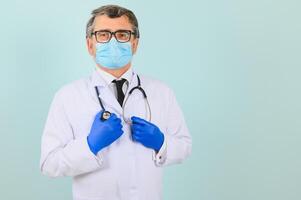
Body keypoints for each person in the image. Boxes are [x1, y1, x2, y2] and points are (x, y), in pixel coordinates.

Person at [40, 4, 192, 200]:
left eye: (122, 34)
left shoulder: (161, 92)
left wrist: (161, 143)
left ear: (135, 43)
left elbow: (184, 146)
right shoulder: (68, 96)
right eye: (103, 34)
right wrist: (89, 145)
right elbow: (49, 164)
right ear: (90, 45)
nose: (113, 41)